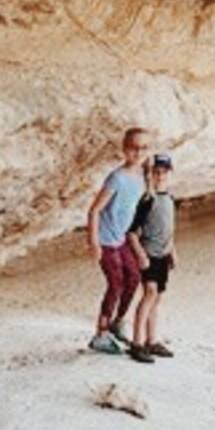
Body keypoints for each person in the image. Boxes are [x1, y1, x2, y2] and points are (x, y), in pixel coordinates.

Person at [84, 127, 148, 354]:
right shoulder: (117, 178)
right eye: (133, 147)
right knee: (116, 283)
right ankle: (100, 334)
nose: (138, 152)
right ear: (124, 149)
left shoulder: (142, 176)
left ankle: (117, 322)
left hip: (121, 239)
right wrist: (94, 243)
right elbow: (94, 211)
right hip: (106, 240)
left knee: (134, 277)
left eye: (143, 148)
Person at [126, 151, 177, 364]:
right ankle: (137, 343)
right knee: (149, 293)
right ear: (150, 175)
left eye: (164, 172)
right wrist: (140, 254)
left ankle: (151, 340)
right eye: (156, 172)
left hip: (163, 254)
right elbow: (131, 232)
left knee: (157, 298)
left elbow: (170, 228)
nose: (160, 176)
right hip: (149, 255)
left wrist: (173, 251)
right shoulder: (147, 200)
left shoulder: (170, 199)